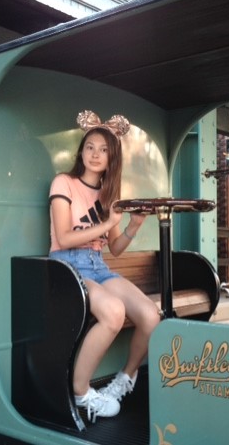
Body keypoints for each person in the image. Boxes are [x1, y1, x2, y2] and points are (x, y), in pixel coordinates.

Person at [48, 110, 161, 422]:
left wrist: (133, 226)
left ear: (113, 158)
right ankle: (80, 392)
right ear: (81, 152)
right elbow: (64, 237)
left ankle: (125, 377)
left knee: (150, 315)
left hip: (97, 266)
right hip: (66, 266)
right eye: (90, 147)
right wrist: (108, 222)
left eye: (103, 150)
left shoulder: (109, 195)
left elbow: (115, 248)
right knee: (113, 312)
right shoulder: (64, 183)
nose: (95, 154)